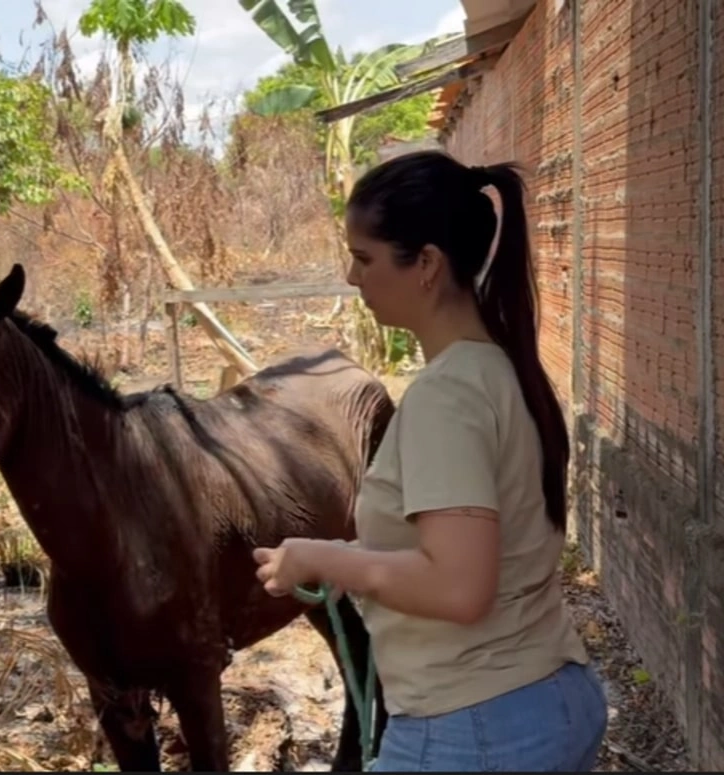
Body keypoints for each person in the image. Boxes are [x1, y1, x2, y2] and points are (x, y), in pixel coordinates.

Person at [252, 151, 608, 772]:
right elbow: (467, 553)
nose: (352, 276)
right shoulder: (497, 368)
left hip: (473, 727)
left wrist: (322, 556)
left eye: (364, 258)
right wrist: (356, 563)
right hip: (539, 697)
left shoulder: (448, 397)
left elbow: (459, 586)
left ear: (427, 265)